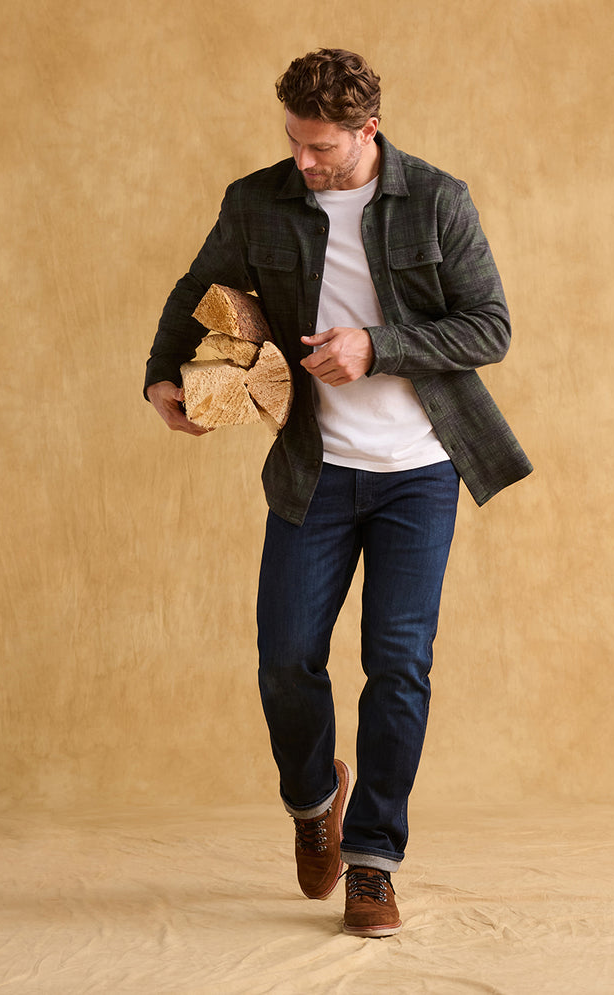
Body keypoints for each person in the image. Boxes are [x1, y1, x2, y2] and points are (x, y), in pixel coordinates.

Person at [145, 48, 532, 938]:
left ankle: (373, 860)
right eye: (294, 141)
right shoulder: (260, 199)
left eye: (320, 148)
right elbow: (194, 288)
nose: (304, 162)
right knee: (285, 655)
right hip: (314, 469)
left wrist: (375, 345)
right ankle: (314, 797)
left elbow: (491, 327)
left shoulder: (438, 199)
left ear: (369, 131)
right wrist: (161, 377)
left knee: (399, 667)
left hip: (419, 475)